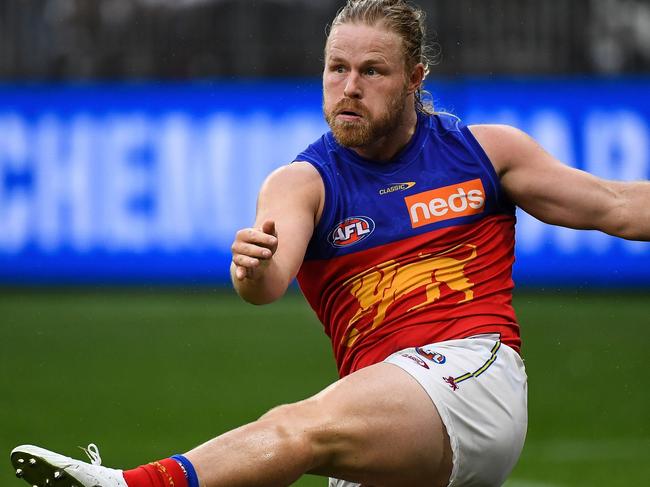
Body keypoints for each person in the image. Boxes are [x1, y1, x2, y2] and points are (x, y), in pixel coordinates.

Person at [10, 1, 650, 486]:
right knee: (304, 429)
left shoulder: (485, 151)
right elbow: (265, 285)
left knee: (297, 427)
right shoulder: (302, 183)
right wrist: (250, 269)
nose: (349, 86)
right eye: (337, 68)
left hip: (471, 377)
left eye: (372, 71)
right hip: (389, 415)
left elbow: (617, 208)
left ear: (413, 79)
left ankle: (132, 485)